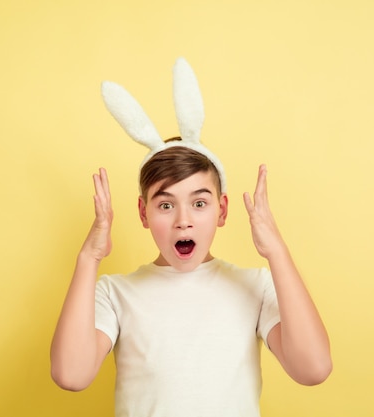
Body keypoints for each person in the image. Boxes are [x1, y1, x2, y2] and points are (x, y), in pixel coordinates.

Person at [50, 59, 331, 417]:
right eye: (166, 205)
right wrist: (89, 258)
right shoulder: (114, 293)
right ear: (143, 214)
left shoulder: (255, 286)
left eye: (199, 203)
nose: (184, 221)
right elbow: (70, 375)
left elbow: (313, 368)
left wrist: (276, 251)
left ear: (222, 210)